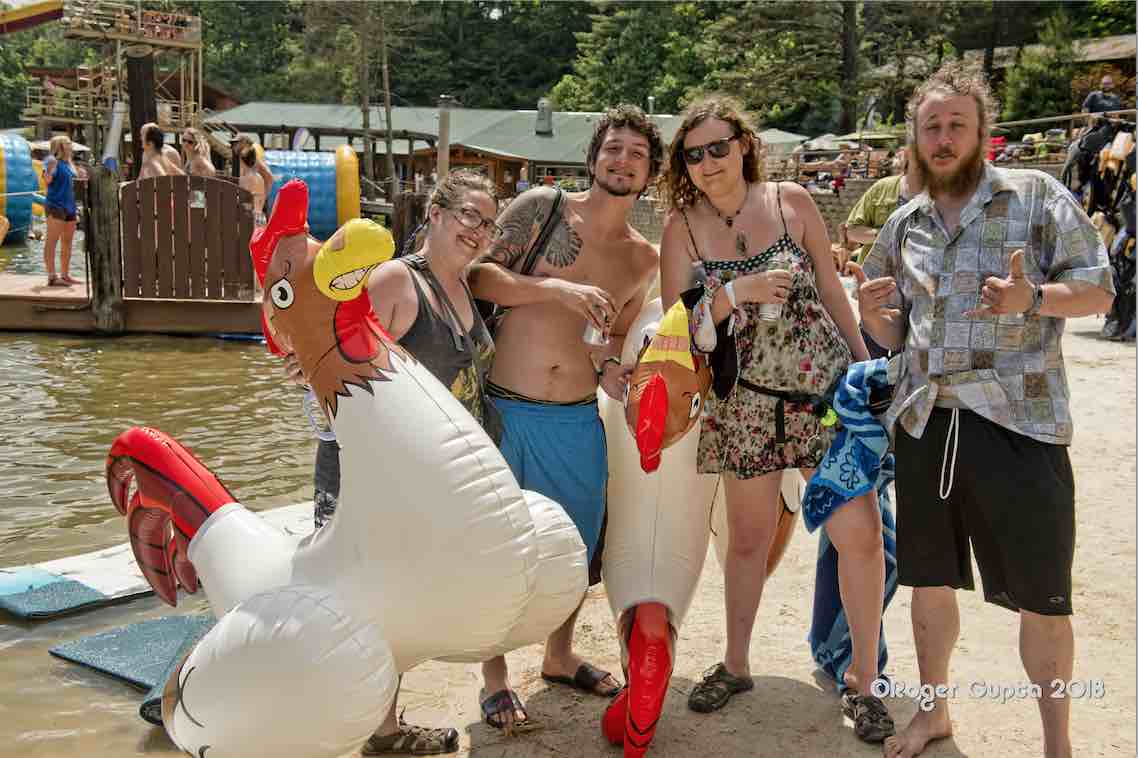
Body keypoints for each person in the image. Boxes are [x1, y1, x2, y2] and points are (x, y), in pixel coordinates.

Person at [857, 62, 1115, 758]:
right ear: (915, 139)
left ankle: (1056, 741)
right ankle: (934, 712)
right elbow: (890, 332)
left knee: (1043, 595)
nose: (942, 139)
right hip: (925, 421)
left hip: (1018, 424)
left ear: (983, 134)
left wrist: (1032, 300)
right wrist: (870, 315)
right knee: (928, 584)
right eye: (931, 127)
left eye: (956, 126)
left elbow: (1099, 291)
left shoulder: (1036, 196)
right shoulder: (904, 222)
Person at [657, 94, 892, 743]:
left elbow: (833, 289)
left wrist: (862, 362)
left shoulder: (793, 201)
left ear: (743, 143)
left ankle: (865, 682)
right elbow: (681, 327)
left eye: (718, 146)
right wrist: (736, 293)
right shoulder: (681, 227)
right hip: (745, 401)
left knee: (859, 534)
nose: (708, 162)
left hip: (821, 395)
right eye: (693, 153)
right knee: (749, 540)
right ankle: (736, 664)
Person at [284, 169, 504, 754]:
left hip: (419, 474)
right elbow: (329, 361)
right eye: (468, 216)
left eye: (488, 222)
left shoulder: (462, 286)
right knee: (357, 595)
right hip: (369, 470)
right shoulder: (397, 280)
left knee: (392, 596)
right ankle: (370, 728)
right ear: (434, 213)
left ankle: (376, 723)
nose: (479, 230)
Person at [468, 104, 663, 727]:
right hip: (506, 407)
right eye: (614, 148)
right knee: (497, 547)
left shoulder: (643, 259)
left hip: (578, 415)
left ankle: (558, 653)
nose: (623, 160)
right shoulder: (543, 207)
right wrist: (556, 289)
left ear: (651, 172)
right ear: (594, 157)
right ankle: (494, 675)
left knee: (577, 545)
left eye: (637, 153)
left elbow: (612, 340)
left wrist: (615, 369)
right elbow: (477, 277)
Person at [42, 135, 80, 287]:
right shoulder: (52, 161)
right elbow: (47, 180)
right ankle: (52, 277)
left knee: (68, 242)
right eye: (68, 143)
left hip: (70, 207)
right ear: (60, 146)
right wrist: (49, 172)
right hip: (55, 206)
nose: (71, 146)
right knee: (52, 241)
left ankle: (65, 275)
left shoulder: (69, 163)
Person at [238, 147, 267, 225]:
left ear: (241, 161)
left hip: (251, 217)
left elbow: (244, 201)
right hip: (260, 215)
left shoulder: (245, 179)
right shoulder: (259, 177)